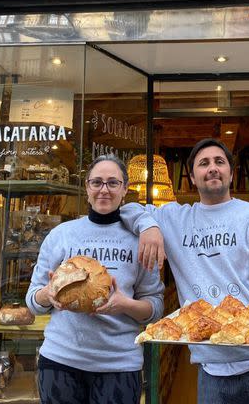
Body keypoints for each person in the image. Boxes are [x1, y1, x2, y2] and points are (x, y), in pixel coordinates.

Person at [120, 138, 249, 404]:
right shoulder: (175, 219)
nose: (213, 168)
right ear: (192, 177)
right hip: (214, 367)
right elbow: (128, 209)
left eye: (220, 162)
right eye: (203, 163)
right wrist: (148, 226)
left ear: (231, 172)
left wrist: (238, 330)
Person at [26, 154, 164, 404]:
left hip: (119, 365)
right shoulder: (61, 235)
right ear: (87, 188)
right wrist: (47, 294)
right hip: (61, 361)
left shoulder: (140, 240)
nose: (104, 190)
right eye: (96, 182)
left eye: (113, 183)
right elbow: (33, 301)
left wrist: (126, 305)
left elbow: (154, 308)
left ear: (125, 190)